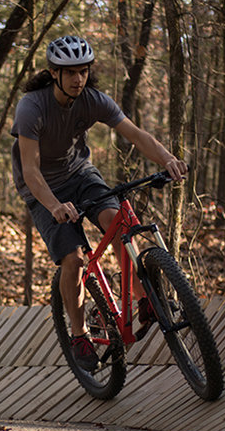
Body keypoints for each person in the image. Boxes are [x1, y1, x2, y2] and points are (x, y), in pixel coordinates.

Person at [10, 35, 188, 371]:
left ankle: (142, 299)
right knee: (74, 261)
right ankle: (79, 335)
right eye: (71, 73)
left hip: (80, 175)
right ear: (54, 74)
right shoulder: (32, 107)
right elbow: (31, 171)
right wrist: (54, 206)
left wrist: (167, 159)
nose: (79, 79)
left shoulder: (94, 100)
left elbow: (135, 135)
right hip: (43, 189)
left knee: (117, 220)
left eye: (83, 71)